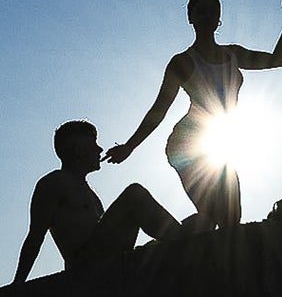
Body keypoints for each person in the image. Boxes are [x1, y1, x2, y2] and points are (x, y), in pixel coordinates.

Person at [107, 0, 282, 230]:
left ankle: (180, 238)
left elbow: (277, 59)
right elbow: (159, 109)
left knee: (231, 219)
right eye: (201, 12)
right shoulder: (182, 62)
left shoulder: (233, 54)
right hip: (186, 143)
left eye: (212, 11)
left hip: (218, 142)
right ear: (191, 18)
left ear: (219, 18)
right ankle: (174, 241)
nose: (207, 16)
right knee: (219, 217)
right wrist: (130, 146)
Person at [13, 121, 180, 284]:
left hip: (110, 258)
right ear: (77, 149)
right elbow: (35, 236)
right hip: (85, 263)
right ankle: (182, 238)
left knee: (161, 242)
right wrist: (18, 283)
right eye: (93, 144)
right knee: (134, 194)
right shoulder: (55, 182)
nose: (99, 149)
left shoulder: (89, 191)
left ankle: (180, 237)